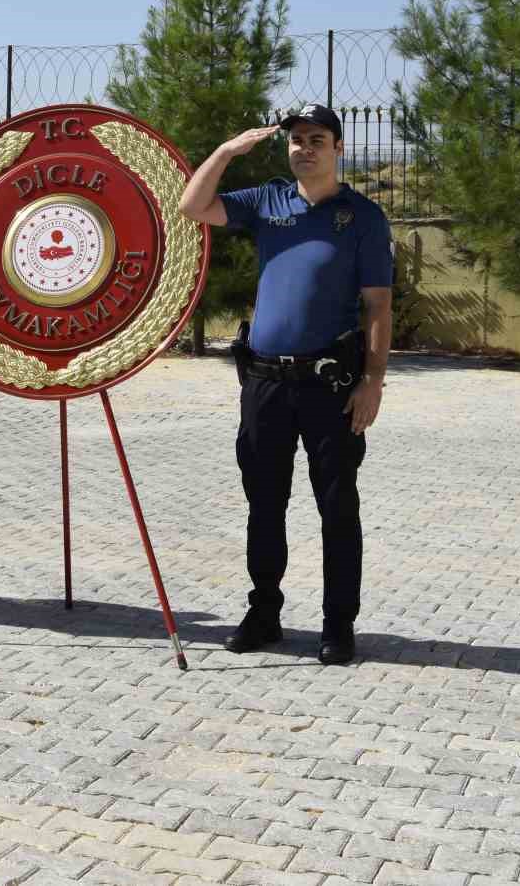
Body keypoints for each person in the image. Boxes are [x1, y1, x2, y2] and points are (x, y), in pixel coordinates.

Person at [178, 104, 392, 665]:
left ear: (338, 148)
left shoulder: (362, 216)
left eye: (317, 138)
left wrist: (373, 381)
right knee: (264, 505)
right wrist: (226, 152)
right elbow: (192, 205)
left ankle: (338, 625)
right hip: (267, 381)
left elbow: (377, 304)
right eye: (297, 139)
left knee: (337, 507)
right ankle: (263, 613)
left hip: (331, 384)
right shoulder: (267, 201)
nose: (306, 148)